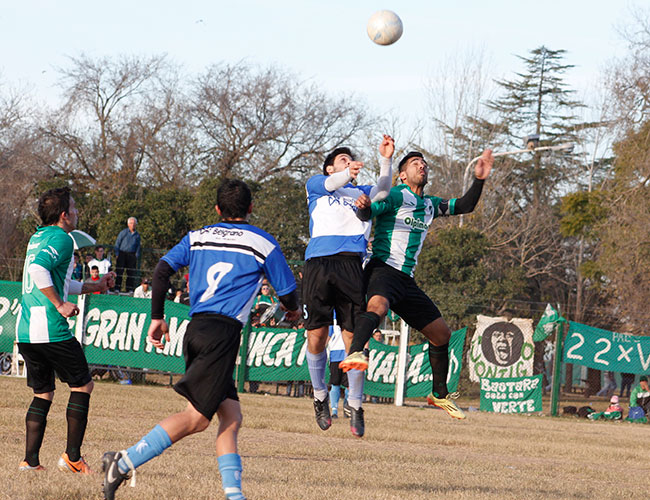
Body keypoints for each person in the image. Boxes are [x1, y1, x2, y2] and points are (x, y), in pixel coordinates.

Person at [102, 179, 300, 500]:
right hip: (222, 335)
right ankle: (122, 462)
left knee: (231, 416)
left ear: (218, 209)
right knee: (196, 419)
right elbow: (289, 293)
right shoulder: (262, 242)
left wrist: (157, 317)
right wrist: (293, 312)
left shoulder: (198, 236)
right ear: (250, 208)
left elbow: (161, 271)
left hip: (196, 330)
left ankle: (234, 495)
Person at [340, 148, 495, 428]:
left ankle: (439, 394)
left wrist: (479, 180)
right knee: (377, 306)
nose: (422, 166)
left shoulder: (430, 204)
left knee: (441, 334)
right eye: (415, 163)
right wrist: (363, 206)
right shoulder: (397, 194)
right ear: (402, 174)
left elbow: (465, 206)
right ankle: (356, 352)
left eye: (424, 163)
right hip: (383, 269)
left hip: (405, 280)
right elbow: (368, 213)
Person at [16, 187, 115, 473]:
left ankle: (30, 462)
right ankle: (72, 458)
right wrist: (59, 304)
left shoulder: (39, 236)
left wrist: (92, 287)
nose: (76, 212)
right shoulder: (62, 237)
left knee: (43, 393)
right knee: (83, 384)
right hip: (51, 329)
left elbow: (51, 277)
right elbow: (37, 271)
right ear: (63, 215)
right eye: (73, 207)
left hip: (28, 331)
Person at [302, 135, 394, 437]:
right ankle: (319, 396)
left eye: (349, 160)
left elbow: (383, 190)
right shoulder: (317, 185)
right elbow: (331, 183)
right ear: (330, 168)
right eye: (341, 160)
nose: (348, 163)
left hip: (351, 265)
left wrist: (385, 160)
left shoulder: (360, 193)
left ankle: (355, 404)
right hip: (318, 263)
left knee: (354, 340)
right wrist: (347, 172)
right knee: (316, 335)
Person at [327, 319, 348, 419]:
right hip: (335, 353)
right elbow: (329, 334)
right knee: (335, 383)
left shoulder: (352, 313)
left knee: (349, 385)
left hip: (349, 353)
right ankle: (334, 411)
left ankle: (347, 409)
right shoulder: (332, 315)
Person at [114, 217, 141, 292]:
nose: (133, 225)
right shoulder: (123, 232)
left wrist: (136, 256)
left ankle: (129, 289)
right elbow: (117, 243)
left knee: (131, 273)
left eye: (134, 223)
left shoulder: (137, 235)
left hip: (132, 255)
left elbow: (138, 246)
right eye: (131, 223)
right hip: (122, 253)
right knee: (119, 272)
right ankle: (117, 288)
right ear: (128, 224)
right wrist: (117, 254)